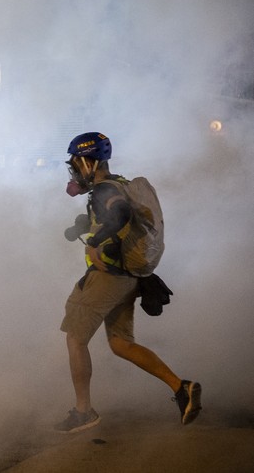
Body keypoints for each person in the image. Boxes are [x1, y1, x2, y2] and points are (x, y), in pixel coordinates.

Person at [56, 132, 201, 433]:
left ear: (90, 162)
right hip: (127, 279)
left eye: (76, 163)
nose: (73, 170)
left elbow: (118, 215)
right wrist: (79, 228)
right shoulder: (117, 184)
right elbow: (110, 215)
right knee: (121, 344)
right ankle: (181, 388)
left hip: (107, 278)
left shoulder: (104, 190)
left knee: (75, 338)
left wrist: (96, 240)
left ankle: (84, 412)